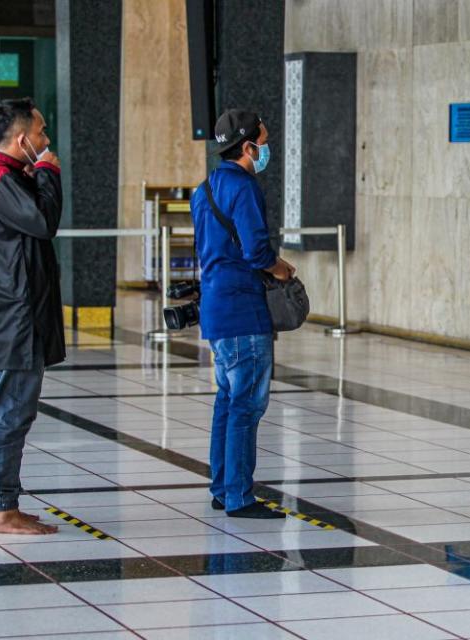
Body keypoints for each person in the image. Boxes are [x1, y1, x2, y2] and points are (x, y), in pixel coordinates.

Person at [0, 98, 64, 534]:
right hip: (14, 317)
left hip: (3, 313)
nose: (46, 141)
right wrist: (49, 173)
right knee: (10, 414)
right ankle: (5, 509)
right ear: (23, 139)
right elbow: (43, 221)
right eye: (41, 134)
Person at [191, 109, 295, 519]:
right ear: (248, 146)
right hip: (242, 309)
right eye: (264, 142)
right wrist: (281, 268)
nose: (266, 149)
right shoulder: (244, 187)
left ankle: (222, 487)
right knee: (246, 406)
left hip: (216, 305)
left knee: (227, 400)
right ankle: (239, 495)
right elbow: (255, 251)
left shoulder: (205, 189)